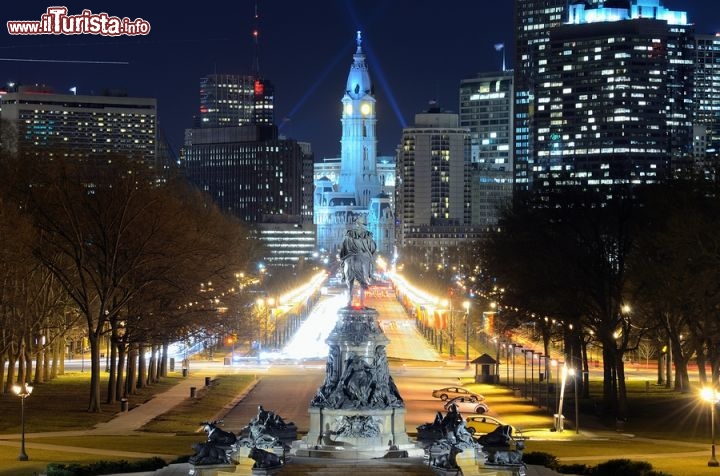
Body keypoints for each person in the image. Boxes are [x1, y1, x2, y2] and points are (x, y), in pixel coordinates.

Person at [339, 215, 377, 307]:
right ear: (363, 224)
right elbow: (372, 247)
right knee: (370, 264)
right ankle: (370, 276)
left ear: (356, 224)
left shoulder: (349, 234)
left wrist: (344, 255)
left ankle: (343, 277)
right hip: (362, 256)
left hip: (350, 256)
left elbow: (344, 247)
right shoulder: (368, 234)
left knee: (348, 278)